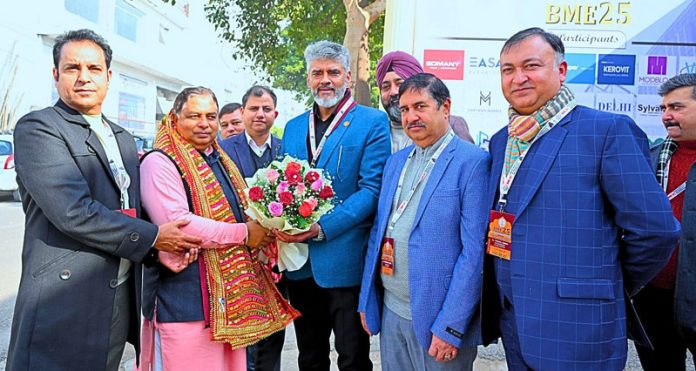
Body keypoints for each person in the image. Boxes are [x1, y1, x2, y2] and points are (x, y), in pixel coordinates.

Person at [482, 27, 680, 370]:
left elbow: (656, 231)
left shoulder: (606, 131)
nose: (518, 78)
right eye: (508, 69)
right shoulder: (502, 140)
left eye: (531, 66)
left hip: (579, 328)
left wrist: (604, 282)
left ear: (561, 71)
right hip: (513, 325)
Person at [6, 29, 201, 371]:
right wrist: (155, 237)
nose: (84, 77)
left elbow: (132, 206)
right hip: (63, 299)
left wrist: (160, 248)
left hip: (117, 292)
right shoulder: (39, 128)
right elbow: (73, 212)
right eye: (72, 68)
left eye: (94, 69)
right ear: (56, 75)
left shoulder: (123, 138)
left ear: (109, 77)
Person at [138, 87, 299, 371]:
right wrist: (246, 234)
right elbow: (181, 224)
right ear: (174, 119)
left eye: (211, 116)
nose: (204, 123)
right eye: (194, 116)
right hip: (185, 301)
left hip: (226, 301)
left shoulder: (218, 159)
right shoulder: (159, 161)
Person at [358, 73, 490, 371]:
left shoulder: (473, 163)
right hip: (392, 311)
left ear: (445, 107)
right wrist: (367, 298)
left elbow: (474, 255)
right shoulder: (396, 162)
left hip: (438, 320)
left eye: (420, 106)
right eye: (404, 110)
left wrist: (451, 326)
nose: (411, 116)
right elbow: (380, 233)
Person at [276, 40, 391, 370]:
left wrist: (322, 228)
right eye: (317, 73)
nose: (325, 79)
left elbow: (371, 191)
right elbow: (285, 183)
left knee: (352, 357)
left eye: (333, 72)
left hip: (345, 261)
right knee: (309, 355)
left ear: (348, 77)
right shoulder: (295, 126)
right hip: (299, 265)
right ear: (308, 78)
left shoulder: (372, 122)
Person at [633, 73, 696, 371]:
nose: (666, 116)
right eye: (663, 109)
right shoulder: (650, 157)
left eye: (676, 107)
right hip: (654, 297)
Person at [220, 85, 285, 371]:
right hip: (237, 254)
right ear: (243, 112)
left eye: (266, 109)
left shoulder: (287, 150)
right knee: (243, 333)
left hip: (280, 256)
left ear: (275, 114)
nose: (260, 114)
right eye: (254, 108)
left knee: (274, 329)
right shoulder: (223, 150)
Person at [376, 50, 474, 151]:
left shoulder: (451, 124)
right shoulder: (376, 131)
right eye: (386, 87)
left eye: (400, 84)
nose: (393, 92)